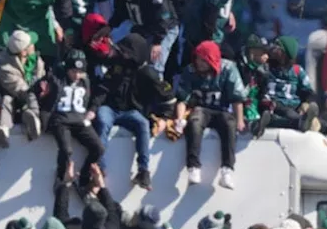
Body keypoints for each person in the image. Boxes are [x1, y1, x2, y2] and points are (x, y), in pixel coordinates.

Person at [92, 33, 176, 190]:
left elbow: (169, 98)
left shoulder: (148, 73)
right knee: (102, 120)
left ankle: (143, 171)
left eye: (125, 52)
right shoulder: (116, 67)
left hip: (132, 111)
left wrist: (165, 118)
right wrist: (93, 108)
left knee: (143, 124)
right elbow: (103, 89)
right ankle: (99, 166)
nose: (121, 55)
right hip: (111, 108)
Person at [172, 41, 247, 189]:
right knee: (195, 120)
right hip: (201, 109)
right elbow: (182, 98)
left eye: (202, 60)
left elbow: (237, 98)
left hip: (222, 110)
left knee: (230, 124)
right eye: (197, 59)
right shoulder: (190, 71)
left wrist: (240, 120)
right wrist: (179, 119)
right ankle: (193, 167)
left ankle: (227, 170)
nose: (199, 63)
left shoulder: (228, 69)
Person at [38, 49, 104, 186]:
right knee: (67, 150)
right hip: (61, 120)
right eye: (73, 71)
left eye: (80, 72)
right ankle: (61, 177)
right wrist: (43, 97)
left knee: (98, 148)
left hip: (80, 120)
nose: (77, 75)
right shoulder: (55, 78)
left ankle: (85, 174)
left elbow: (98, 96)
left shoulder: (86, 81)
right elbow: (38, 90)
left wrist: (92, 110)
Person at [108, 0, 180, 76]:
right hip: (143, 28)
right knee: (133, 60)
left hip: (163, 29)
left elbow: (163, 13)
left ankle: (156, 94)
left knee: (154, 66)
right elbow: (121, 8)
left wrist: (158, 41)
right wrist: (109, 26)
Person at [0, 29, 45, 146]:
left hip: (33, 98)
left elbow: (41, 77)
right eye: (30, 45)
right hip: (16, 96)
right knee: (7, 100)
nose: (33, 45)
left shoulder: (36, 60)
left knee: (31, 99)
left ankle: (31, 118)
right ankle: (3, 128)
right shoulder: (4, 65)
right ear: (23, 52)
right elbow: (20, 89)